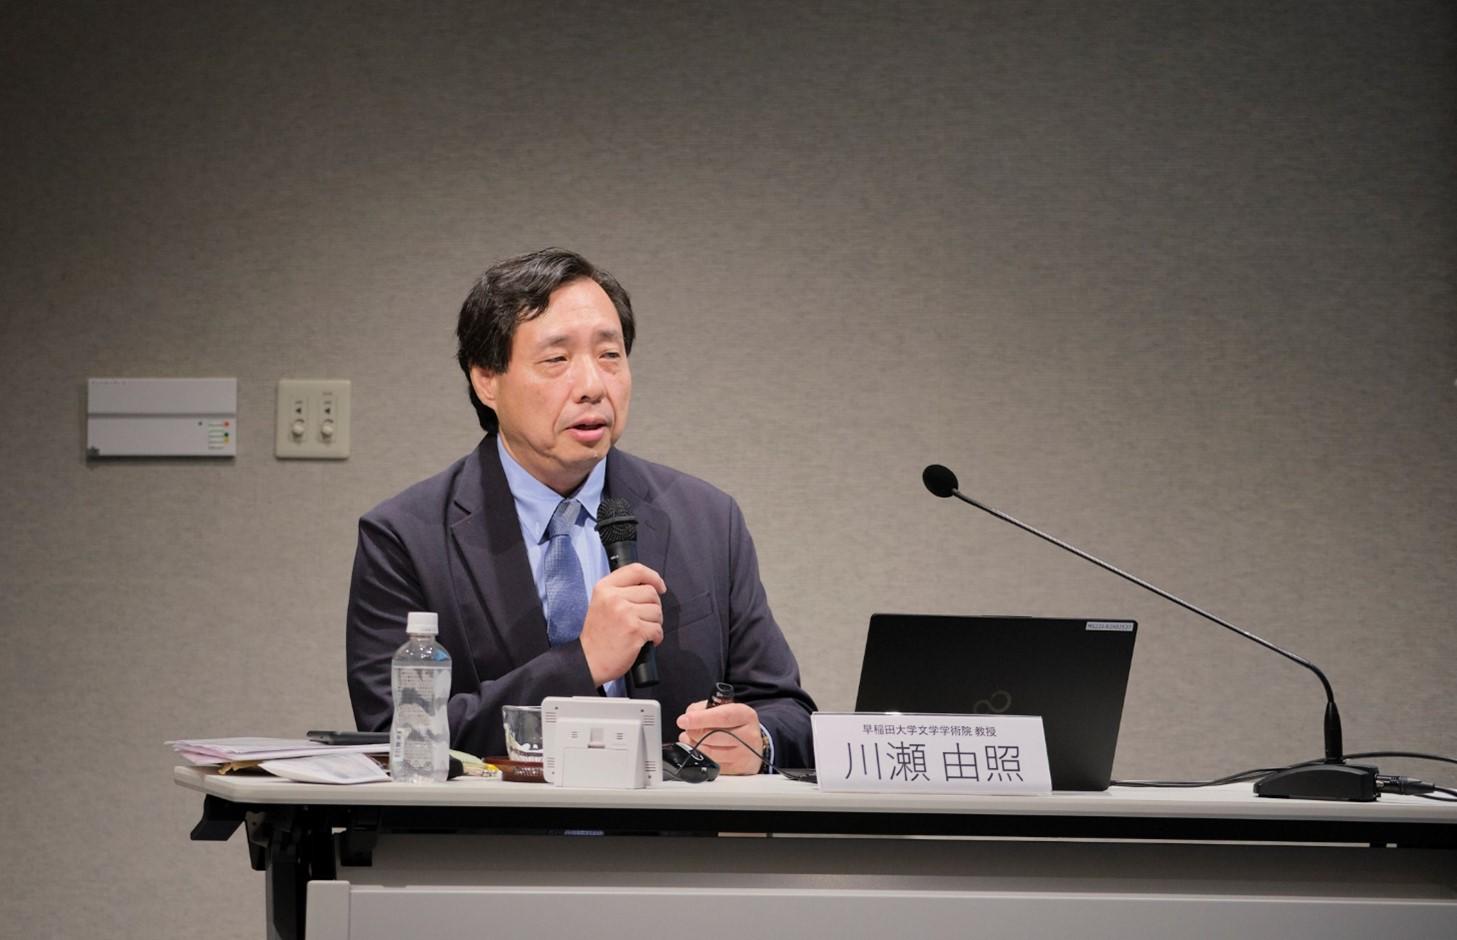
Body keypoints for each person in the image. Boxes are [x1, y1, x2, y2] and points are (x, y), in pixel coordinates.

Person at [346, 247, 816, 773]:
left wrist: (756, 741)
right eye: (557, 360)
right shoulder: (406, 537)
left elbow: (788, 710)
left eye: (609, 355)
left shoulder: (708, 520)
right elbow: (394, 733)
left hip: (670, 826)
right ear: (487, 380)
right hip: (495, 826)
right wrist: (583, 662)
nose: (593, 386)